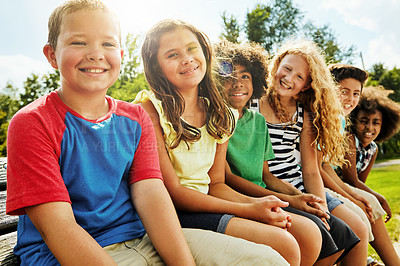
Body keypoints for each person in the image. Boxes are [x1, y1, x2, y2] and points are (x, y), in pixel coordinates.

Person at [5, 1, 290, 265]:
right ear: (52, 55)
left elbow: (151, 196)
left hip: (143, 240)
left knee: (269, 260)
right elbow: (60, 228)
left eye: (107, 43)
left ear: (120, 54)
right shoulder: (33, 123)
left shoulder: (134, 118)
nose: (95, 53)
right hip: (73, 253)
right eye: (79, 42)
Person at [134, 19, 301, 265]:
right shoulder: (150, 111)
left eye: (192, 49)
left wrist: (260, 203)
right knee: (284, 244)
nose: (187, 59)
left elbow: (216, 183)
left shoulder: (221, 114)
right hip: (174, 213)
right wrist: (249, 209)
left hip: (209, 203)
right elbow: (175, 192)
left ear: (204, 52)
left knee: (299, 236)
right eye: (172, 54)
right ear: (156, 66)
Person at [213, 40, 371, 265]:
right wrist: (294, 199)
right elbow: (254, 173)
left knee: (353, 232)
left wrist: (321, 207)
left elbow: (311, 170)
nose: (289, 78)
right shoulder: (250, 103)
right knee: (318, 235)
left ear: (307, 85)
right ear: (276, 65)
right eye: (287, 69)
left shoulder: (301, 114)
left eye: (299, 77)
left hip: (294, 185)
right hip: (266, 187)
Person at [318, 64, 400, 266]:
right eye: (344, 92)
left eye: (356, 93)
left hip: (332, 182)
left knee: (368, 203)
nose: (350, 98)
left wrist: (363, 195)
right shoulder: (327, 122)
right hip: (322, 184)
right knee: (367, 208)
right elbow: (345, 177)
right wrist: (371, 197)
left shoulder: (344, 125)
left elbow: (357, 181)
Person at [341, 86, 400, 265]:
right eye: (364, 121)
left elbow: (361, 182)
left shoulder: (372, 150)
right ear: (353, 120)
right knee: (371, 208)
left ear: (384, 126)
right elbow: (350, 178)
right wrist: (379, 198)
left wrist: (369, 197)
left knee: (368, 208)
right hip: (336, 187)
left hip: (350, 191)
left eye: (376, 122)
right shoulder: (350, 139)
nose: (369, 127)